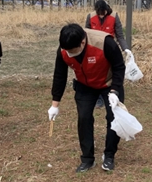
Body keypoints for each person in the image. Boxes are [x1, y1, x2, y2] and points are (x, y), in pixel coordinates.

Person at [48, 24, 125, 172]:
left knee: (113, 117)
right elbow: (59, 75)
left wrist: (115, 91)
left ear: (82, 43)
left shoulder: (105, 42)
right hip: (84, 85)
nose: (69, 54)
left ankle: (109, 155)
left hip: (108, 83)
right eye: (67, 51)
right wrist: (54, 104)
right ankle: (88, 158)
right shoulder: (65, 48)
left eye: (72, 52)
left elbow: (119, 66)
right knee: (84, 118)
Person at [85, 0, 132, 109]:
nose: (101, 16)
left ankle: (113, 93)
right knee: (95, 73)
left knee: (110, 73)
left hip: (110, 49)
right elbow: (86, 34)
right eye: (99, 13)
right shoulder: (90, 17)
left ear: (107, 9)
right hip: (95, 50)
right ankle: (99, 98)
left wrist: (126, 49)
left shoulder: (114, 16)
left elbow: (120, 36)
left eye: (103, 13)